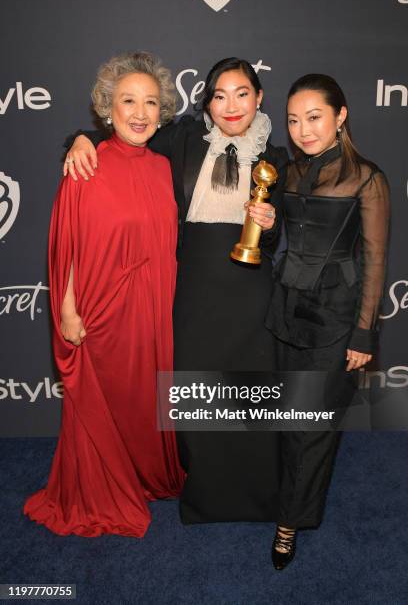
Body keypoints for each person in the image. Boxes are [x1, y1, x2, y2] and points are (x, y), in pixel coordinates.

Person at [63, 57, 289, 524]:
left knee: (251, 390)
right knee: (195, 389)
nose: (231, 105)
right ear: (206, 102)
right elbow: (124, 137)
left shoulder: (278, 158)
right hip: (193, 283)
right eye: (219, 95)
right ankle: (205, 496)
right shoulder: (183, 138)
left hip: (251, 287)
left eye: (242, 93)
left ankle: (259, 496)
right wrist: (78, 140)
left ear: (259, 97)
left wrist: (269, 225)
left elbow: (283, 229)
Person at [24, 52, 184, 537]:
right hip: (100, 314)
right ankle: (98, 489)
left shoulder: (162, 167)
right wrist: (67, 310)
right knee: (102, 399)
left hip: (151, 311)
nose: (139, 113)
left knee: (142, 399)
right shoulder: (86, 164)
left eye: (150, 102)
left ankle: (139, 474)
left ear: (163, 111)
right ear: (106, 110)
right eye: (128, 101)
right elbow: (66, 243)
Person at [265, 74, 390, 569]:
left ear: (340, 116)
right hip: (285, 310)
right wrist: (270, 226)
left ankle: (288, 524)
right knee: (288, 418)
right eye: (294, 120)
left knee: (311, 425)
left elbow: (376, 260)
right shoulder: (289, 172)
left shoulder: (367, 177)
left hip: (336, 315)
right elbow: (276, 245)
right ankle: (289, 499)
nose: (302, 130)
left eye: (314, 117)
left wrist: (365, 333)